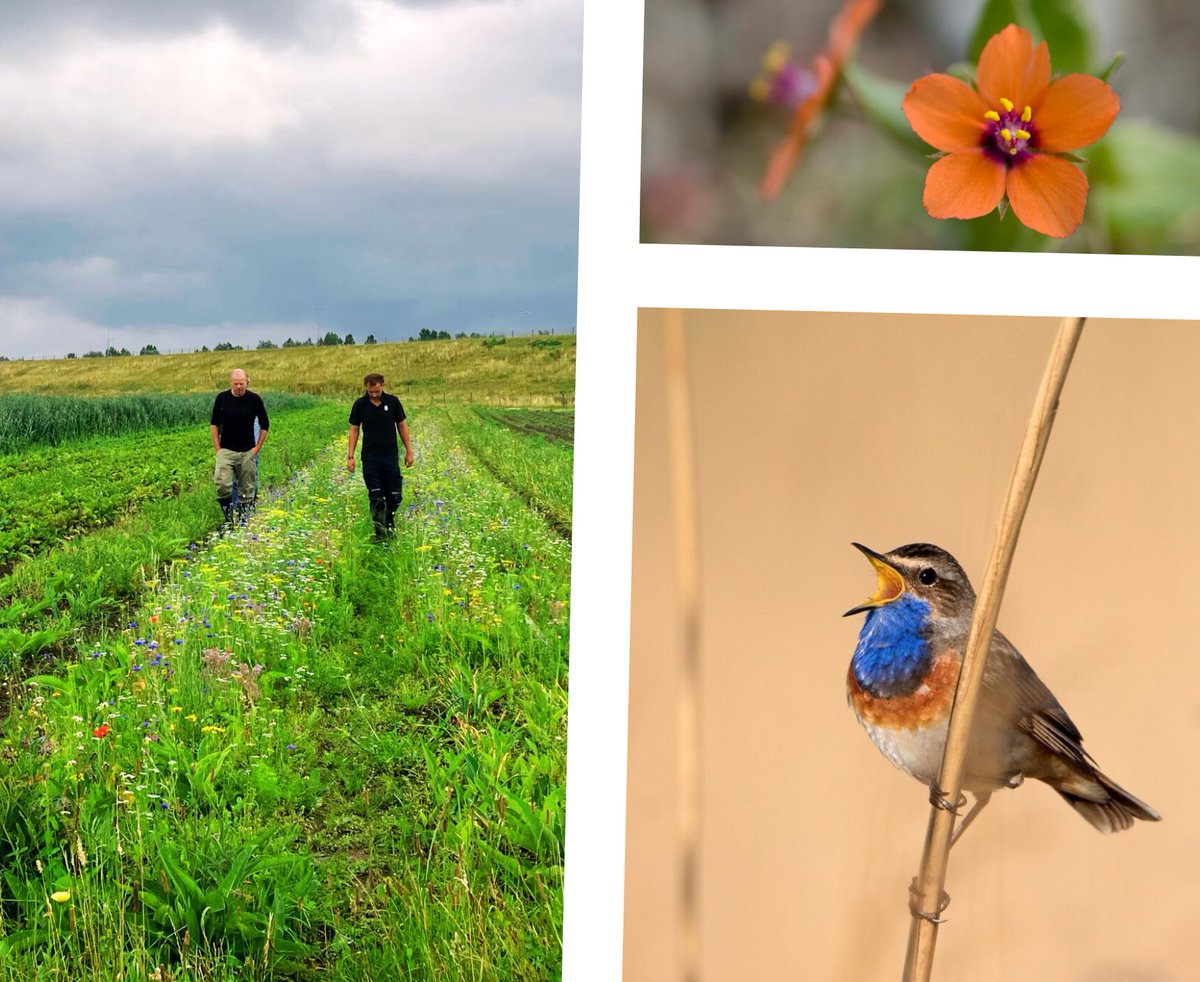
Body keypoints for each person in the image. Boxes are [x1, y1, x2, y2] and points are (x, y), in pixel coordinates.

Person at [347, 373, 414, 539]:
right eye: (370, 392)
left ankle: (390, 525)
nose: (374, 394)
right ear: (366, 389)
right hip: (370, 460)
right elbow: (354, 429)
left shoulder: (393, 402)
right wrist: (350, 456)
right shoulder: (360, 405)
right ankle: (380, 535)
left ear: (382, 385)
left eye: (376, 391)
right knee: (376, 498)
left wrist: (409, 451)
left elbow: (402, 426)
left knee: (394, 497)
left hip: (390, 458)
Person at [211, 369, 269, 523]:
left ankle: (244, 521)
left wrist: (256, 449)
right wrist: (218, 449)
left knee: (247, 489)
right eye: (236, 384)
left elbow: (265, 425)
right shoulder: (222, 398)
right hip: (226, 451)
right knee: (222, 485)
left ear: (247, 383)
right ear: (231, 382)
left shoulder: (254, 399)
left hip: (247, 451)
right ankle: (229, 518)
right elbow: (214, 424)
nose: (238, 387)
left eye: (241, 384)